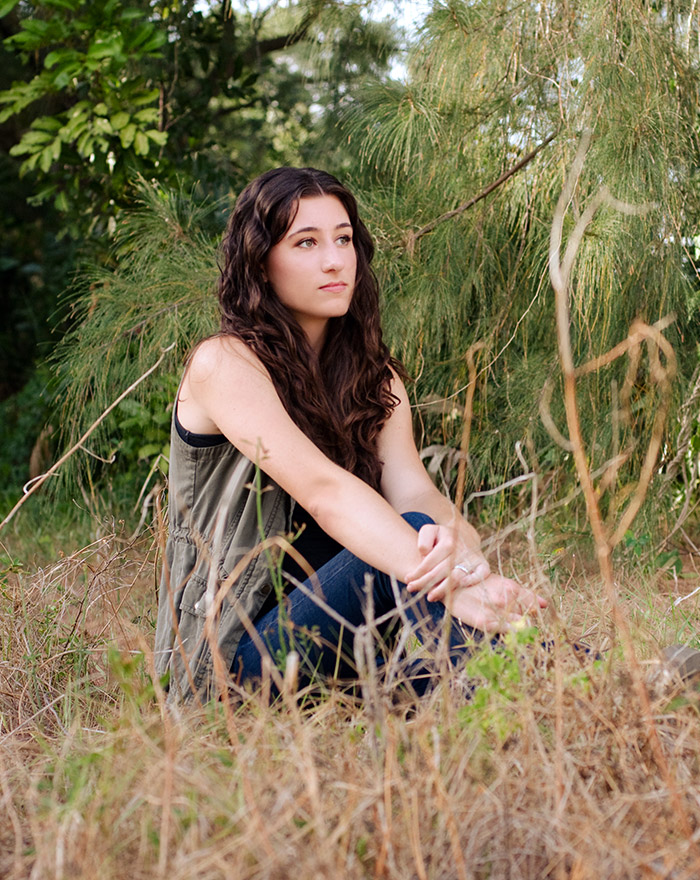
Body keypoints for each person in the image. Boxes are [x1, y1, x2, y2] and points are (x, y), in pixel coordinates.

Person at [154, 166, 546, 705]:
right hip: (233, 665)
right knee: (404, 546)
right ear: (261, 263)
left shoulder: (373, 377)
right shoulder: (223, 364)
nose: (335, 260)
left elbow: (417, 493)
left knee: (430, 571)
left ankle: (604, 689)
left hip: (352, 661)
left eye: (343, 239)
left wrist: (458, 552)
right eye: (306, 243)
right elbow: (325, 492)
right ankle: (560, 692)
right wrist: (447, 577)